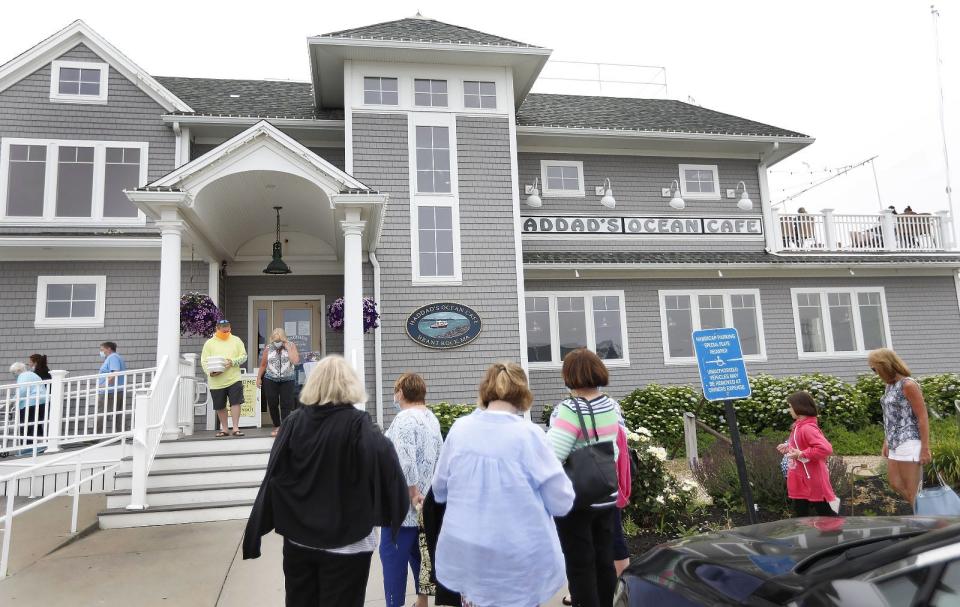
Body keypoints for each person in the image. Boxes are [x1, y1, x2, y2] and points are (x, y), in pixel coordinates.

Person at [242, 355, 409, 607]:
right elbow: (389, 470)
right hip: (347, 544)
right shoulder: (359, 426)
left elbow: (276, 474)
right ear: (350, 384)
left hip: (299, 539)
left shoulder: (293, 422)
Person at [432, 362, 574, 607]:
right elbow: (561, 501)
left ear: (485, 390)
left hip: (470, 556)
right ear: (522, 393)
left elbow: (439, 489)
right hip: (517, 560)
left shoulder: (460, 429)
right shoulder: (529, 435)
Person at [546, 348, 621, 607]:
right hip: (606, 494)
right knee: (604, 561)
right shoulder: (612, 405)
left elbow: (552, 455)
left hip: (577, 500)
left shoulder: (568, 409)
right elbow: (617, 447)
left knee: (580, 566)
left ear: (569, 375)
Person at [380, 373, 443, 607]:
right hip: (425, 505)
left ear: (402, 393)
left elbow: (404, 461)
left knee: (393, 560)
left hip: (403, 507)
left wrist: (413, 492)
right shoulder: (431, 418)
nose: (394, 395)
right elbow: (440, 456)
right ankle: (422, 601)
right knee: (420, 557)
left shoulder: (404, 419)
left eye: (396, 390)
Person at [869, 348, 931, 509]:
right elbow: (891, 417)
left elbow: (922, 417)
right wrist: (886, 441)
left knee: (913, 490)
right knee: (895, 483)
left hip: (909, 440)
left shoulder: (908, 384)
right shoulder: (890, 386)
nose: (874, 372)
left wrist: (925, 448)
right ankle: (924, 513)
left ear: (885, 365)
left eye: (874, 368)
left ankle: (925, 522)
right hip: (894, 441)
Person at [777, 391, 839, 517]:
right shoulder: (798, 426)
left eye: (790, 406)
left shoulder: (807, 428)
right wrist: (788, 447)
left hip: (812, 479)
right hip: (800, 478)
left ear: (799, 407)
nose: (789, 410)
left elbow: (825, 449)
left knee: (824, 512)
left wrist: (801, 454)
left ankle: (836, 533)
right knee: (801, 514)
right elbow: (800, 446)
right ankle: (813, 534)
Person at [201, 320, 248, 437]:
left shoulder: (236, 340)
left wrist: (232, 362)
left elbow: (244, 357)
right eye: (223, 329)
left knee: (236, 402)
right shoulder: (209, 343)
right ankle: (225, 429)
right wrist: (210, 372)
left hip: (234, 378)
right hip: (216, 381)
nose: (226, 331)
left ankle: (236, 428)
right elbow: (204, 361)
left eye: (227, 329)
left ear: (230, 328)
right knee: (220, 405)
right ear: (217, 328)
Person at [256, 328, 300, 437]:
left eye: (279, 340)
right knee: (272, 402)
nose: (277, 343)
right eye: (275, 341)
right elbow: (263, 365)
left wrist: (287, 348)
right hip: (270, 379)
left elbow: (295, 361)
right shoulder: (268, 348)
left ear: (284, 339)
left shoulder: (291, 345)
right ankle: (277, 425)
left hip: (287, 379)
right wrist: (258, 378)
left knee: (286, 404)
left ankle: (283, 428)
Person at [10, 362, 47, 454]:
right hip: (41, 401)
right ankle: (40, 445)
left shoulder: (23, 376)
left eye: (13, 373)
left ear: (18, 371)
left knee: (27, 425)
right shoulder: (33, 374)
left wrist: (11, 402)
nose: (14, 375)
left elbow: (22, 390)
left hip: (30, 403)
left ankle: (28, 448)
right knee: (37, 424)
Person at [97, 342, 128, 433]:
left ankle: (94, 437)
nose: (101, 352)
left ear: (109, 349)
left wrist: (105, 384)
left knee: (102, 413)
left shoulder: (113, 357)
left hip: (110, 391)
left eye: (102, 349)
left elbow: (115, 372)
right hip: (116, 390)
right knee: (117, 413)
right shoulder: (115, 357)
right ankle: (121, 434)